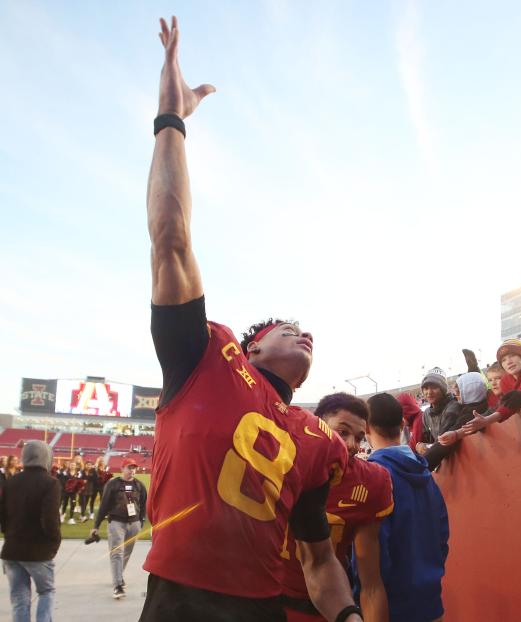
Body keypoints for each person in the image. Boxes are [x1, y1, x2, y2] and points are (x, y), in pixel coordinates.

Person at [139, 16, 358, 622]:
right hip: (178, 602)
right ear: (253, 349)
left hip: (264, 608)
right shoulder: (205, 356)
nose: (303, 330)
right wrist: (170, 121)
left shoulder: (316, 440)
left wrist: (350, 616)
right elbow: (170, 239)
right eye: (286, 326)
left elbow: (319, 563)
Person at [280, 393, 394, 622]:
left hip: (325, 610)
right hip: (262, 603)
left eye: (359, 437)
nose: (351, 444)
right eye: (342, 432)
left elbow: (370, 583)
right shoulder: (280, 462)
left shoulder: (370, 482)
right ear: (316, 426)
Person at [366, 394, 449, 622]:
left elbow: (371, 559)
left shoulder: (373, 477)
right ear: (403, 424)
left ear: (365, 427)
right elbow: (442, 536)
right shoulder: (425, 473)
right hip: (430, 600)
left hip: (391, 608)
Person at [0, 441, 60, 622]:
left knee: (19, 599)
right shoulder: (50, 483)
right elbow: (50, 519)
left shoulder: (11, 481)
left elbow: (2, 514)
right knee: (46, 591)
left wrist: (9, 533)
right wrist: (54, 541)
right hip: (38, 550)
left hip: (12, 549)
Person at [90, 459, 148, 599]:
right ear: (122, 468)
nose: (132, 471)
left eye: (134, 468)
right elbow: (104, 505)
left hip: (133, 524)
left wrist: (141, 521)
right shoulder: (113, 484)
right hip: (117, 522)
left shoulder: (139, 485)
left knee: (127, 553)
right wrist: (96, 526)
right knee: (117, 553)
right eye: (129, 468)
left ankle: (118, 576)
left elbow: (143, 504)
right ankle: (118, 586)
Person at [462, 339, 521, 433]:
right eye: (503, 360)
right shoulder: (505, 382)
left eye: (512, 356)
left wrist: (487, 420)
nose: (509, 362)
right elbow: (505, 406)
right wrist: (456, 433)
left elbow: (514, 402)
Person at [431, 373, 490, 468]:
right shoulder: (478, 405)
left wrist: (422, 464)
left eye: (459, 393)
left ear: (469, 392)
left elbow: (443, 444)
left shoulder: (470, 413)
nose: (456, 396)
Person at [415, 369, 458, 458]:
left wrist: (425, 447)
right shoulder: (426, 413)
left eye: (434, 387)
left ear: (443, 389)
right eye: (426, 388)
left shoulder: (452, 408)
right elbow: (428, 440)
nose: (429, 392)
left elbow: (442, 443)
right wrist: (420, 445)